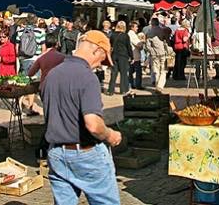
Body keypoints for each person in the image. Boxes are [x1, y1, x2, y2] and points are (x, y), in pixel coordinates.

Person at [42, 31, 122, 205]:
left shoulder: (52, 75)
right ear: (97, 50)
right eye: (102, 59)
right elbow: (93, 124)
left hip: (56, 153)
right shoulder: (87, 77)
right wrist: (110, 135)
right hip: (85, 152)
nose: (100, 65)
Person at [107, 21, 132, 96]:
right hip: (123, 56)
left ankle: (110, 90)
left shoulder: (112, 35)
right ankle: (123, 89)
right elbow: (128, 47)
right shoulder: (125, 35)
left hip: (114, 55)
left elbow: (110, 44)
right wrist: (131, 56)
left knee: (114, 73)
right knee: (123, 73)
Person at [144, 18, 169, 91]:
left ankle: (157, 84)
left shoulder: (149, 33)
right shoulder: (162, 31)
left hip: (154, 54)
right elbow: (167, 41)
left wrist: (152, 52)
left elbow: (147, 45)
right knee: (163, 70)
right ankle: (160, 85)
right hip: (163, 52)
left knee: (156, 70)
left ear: (152, 23)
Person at [128, 21, 144, 90]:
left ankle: (131, 84)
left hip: (133, 55)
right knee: (138, 72)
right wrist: (142, 43)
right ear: (132, 27)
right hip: (135, 56)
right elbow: (138, 44)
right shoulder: (132, 35)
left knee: (131, 71)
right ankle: (137, 85)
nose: (137, 28)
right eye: (136, 27)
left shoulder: (132, 34)